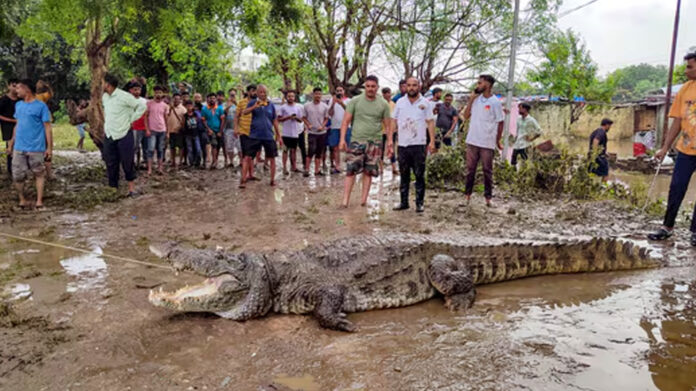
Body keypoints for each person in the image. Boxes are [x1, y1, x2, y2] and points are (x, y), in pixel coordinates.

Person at [648, 52, 696, 246]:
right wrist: (664, 148)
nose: (686, 71)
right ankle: (667, 227)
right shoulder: (685, 90)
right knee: (676, 186)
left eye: (690, 67)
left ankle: (695, 232)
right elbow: (677, 122)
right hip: (685, 150)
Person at [339, 75, 392, 207]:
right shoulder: (355, 101)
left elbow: (388, 125)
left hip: (375, 142)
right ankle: (345, 201)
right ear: (365, 87)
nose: (370, 89)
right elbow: (345, 122)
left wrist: (390, 142)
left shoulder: (383, 104)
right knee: (350, 171)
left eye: (373, 86)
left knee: (368, 172)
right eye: (368, 86)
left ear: (377, 87)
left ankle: (363, 200)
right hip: (357, 140)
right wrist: (342, 139)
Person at [390, 77, 436, 213]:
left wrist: (432, 141)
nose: (411, 88)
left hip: (419, 144)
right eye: (409, 85)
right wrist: (390, 141)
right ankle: (404, 202)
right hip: (403, 145)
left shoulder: (425, 103)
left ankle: (419, 203)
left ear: (419, 86)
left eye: (414, 85)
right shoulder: (400, 102)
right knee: (404, 175)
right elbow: (394, 121)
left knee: (419, 175)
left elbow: (430, 122)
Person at [7, 79, 51, 209]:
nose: (16, 90)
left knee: (38, 173)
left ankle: (39, 201)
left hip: (36, 147)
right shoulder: (19, 105)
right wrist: (11, 144)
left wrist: (49, 148)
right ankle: (22, 199)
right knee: (18, 175)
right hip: (19, 146)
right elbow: (17, 124)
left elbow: (47, 127)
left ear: (27, 89)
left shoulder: (41, 106)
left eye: (19, 88)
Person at [463, 74, 504, 207]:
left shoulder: (495, 102)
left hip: (487, 142)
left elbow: (500, 122)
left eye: (480, 83)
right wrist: (470, 100)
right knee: (470, 170)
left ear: (488, 85)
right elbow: (466, 116)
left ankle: (488, 198)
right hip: (472, 140)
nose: (478, 85)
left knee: (487, 170)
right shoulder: (475, 99)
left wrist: (497, 140)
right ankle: (467, 196)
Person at [101, 74, 146, 194]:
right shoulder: (105, 97)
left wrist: (131, 119)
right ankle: (113, 188)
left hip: (124, 133)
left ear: (108, 84)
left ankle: (131, 189)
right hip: (110, 134)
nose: (101, 85)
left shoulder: (124, 96)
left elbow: (141, 105)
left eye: (102, 82)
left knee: (127, 161)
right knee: (110, 162)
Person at [241, 85, 282, 187]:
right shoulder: (252, 102)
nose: (263, 94)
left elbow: (274, 120)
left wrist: (278, 135)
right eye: (261, 92)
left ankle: (272, 180)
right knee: (247, 157)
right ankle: (243, 180)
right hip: (254, 135)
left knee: (272, 158)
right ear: (257, 93)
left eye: (264, 92)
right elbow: (244, 112)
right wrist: (254, 107)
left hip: (268, 135)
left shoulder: (271, 105)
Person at [303, 87, 329, 176]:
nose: (318, 95)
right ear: (313, 94)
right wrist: (308, 124)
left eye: (319, 94)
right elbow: (303, 117)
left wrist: (323, 126)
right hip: (311, 132)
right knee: (311, 150)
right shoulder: (307, 106)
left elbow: (326, 118)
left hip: (322, 133)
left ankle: (317, 170)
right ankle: (306, 170)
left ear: (321, 95)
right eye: (316, 94)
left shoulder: (325, 106)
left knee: (319, 151)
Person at [278, 90, 304, 175]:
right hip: (286, 133)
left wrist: (295, 118)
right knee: (285, 150)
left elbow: (301, 120)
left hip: (295, 133)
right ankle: (285, 167)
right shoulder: (283, 107)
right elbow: (279, 119)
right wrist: (288, 117)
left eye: (292, 96)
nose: (291, 98)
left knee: (294, 150)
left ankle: (294, 167)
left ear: (294, 97)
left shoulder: (298, 107)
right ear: (286, 97)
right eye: (289, 96)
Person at [235, 85, 258, 186]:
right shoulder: (241, 102)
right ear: (248, 92)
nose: (254, 93)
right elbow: (236, 116)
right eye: (253, 91)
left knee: (252, 155)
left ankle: (251, 174)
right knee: (246, 155)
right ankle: (243, 179)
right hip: (244, 131)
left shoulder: (259, 102)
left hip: (255, 132)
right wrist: (236, 128)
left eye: (255, 91)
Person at [144, 86, 169, 175]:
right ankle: (149, 169)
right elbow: (146, 117)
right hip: (152, 130)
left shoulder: (165, 105)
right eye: (156, 92)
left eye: (160, 92)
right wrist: (147, 129)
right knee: (150, 149)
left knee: (160, 149)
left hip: (162, 130)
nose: (158, 94)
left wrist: (167, 132)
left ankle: (160, 168)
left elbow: (166, 119)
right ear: (154, 93)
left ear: (162, 94)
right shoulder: (149, 103)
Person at [327, 85, 350, 174]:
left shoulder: (349, 101)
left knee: (347, 147)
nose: (339, 92)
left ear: (344, 91)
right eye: (337, 91)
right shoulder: (331, 101)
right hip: (335, 127)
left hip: (347, 127)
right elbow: (330, 114)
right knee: (335, 148)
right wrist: (333, 103)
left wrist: (341, 103)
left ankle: (349, 166)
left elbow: (350, 112)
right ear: (335, 92)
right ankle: (337, 166)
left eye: (341, 90)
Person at [201, 93, 226, 169]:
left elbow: (222, 120)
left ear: (216, 99)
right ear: (208, 99)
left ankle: (219, 160)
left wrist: (220, 131)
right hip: (211, 130)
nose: (212, 100)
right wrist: (208, 129)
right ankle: (214, 161)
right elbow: (204, 120)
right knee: (214, 145)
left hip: (219, 129)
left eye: (213, 98)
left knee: (219, 145)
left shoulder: (219, 108)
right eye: (210, 98)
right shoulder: (204, 109)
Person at [0, 78, 20, 174]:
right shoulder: (4, 100)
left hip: (20, 125)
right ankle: (10, 169)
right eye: (13, 86)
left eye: (17, 86)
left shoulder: (21, 100)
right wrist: (12, 120)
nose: (15, 88)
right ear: (9, 86)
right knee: (10, 147)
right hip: (7, 126)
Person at [127, 82, 148, 169]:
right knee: (135, 146)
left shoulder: (144, 101)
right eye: (135, 89)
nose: (137, 91)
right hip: (133, 127)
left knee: (146, 146)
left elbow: (147, 113)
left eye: (139, 89)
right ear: (130, 90)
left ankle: (144, 163)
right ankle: (133, 162)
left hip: (144, 126)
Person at [380, 87, 398, 175]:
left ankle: (394, 168)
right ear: (383, 95)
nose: (387, 95)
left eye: (388, 93)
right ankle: (381, 169)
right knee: (381, 149)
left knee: (392, 149)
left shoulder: (393, 104)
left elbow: (396, 117)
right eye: (385, 93)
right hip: (381, 131)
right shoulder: (380, 104)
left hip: (392, 130)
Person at [167, 93, 186, 170]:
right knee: (172, 147)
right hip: (170, 130)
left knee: (181, 147)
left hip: (179, 131)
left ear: (180, 100)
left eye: (178, 99)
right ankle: (173, 161)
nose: (176, 100)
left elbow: (184, 120)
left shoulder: (183, 109)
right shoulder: (168, 108)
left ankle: (180, 161)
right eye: (175, 99)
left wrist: (180, 128)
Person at [182, 100, 203, 168]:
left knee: (198, 149)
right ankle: (191, 163)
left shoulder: (196, 114)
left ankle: (198, 162)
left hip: (196, 134)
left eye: (190, 106)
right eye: (187, 106)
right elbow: (183, 124)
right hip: (188, 134)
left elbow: (199, 121)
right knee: (189, 149)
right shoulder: (184, 116)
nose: (189, 107)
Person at [223, 88, 241, 168]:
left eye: (234, 94)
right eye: (231, 95)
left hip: (238, 128)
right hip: (228, 128)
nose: (232, 96)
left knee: (240, 146)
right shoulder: (225, 104)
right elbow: (224, 114)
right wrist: (228, 106)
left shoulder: (239, 103)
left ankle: (241, 161)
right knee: (229, 147)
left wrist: (236, 103)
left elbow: (242, 112)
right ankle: (231, 161)